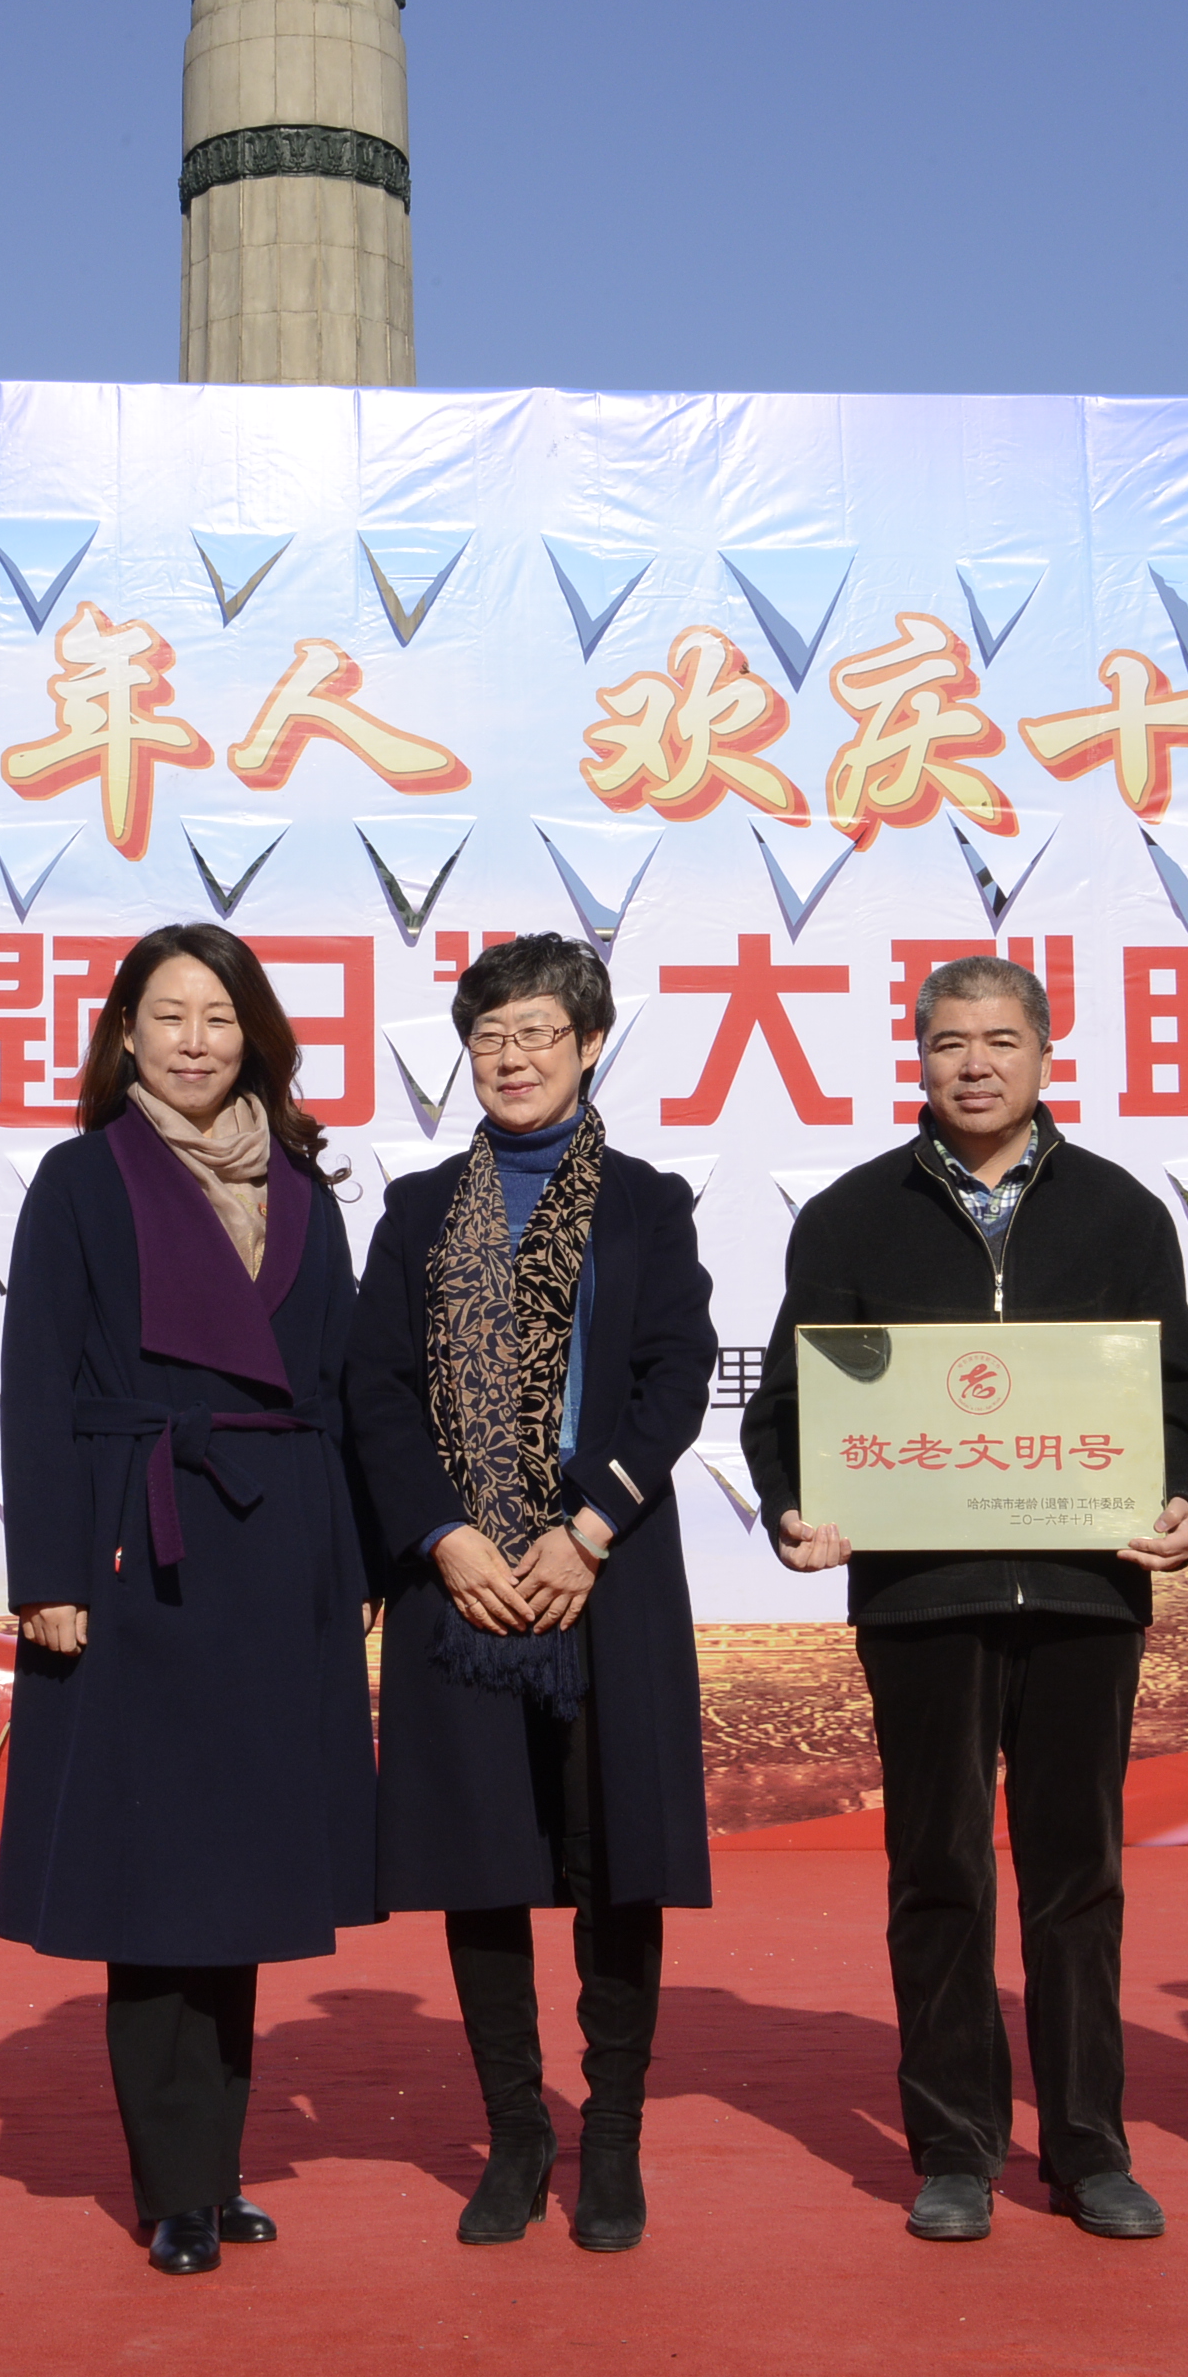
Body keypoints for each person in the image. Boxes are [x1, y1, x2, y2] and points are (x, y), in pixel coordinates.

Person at [739, 954, 1188, 2245]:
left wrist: (1187, 1500)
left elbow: (1176, 1392)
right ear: (921, 1057)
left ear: (1046, 1055)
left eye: (1002, 1041)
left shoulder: (1120, 1212)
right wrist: (794, 1507)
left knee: (1077, 1876)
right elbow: (790, 1406)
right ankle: (954, 2148)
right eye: (951, 1043)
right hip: (923, 1594)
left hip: (1083, 1589)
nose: (977, 1065)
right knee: (936, 1869)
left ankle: (1090, 2148)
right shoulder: (850, 1216)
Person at [0, 924, 380, 2277]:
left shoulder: (306, 1185)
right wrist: (46, 1576)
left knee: (244, 1876)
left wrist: (354, 1560)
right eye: (168, 1016)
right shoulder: (82, 1177)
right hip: (134, 1549)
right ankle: (172, 2186)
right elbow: (36, 1382)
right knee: (156, 1877)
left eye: (219, 1015)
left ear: (254, 1034)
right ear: (126, 1036)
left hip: (282, 1552)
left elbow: (339, 1390)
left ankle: (217, 2167)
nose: (195, 1040)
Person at [348, 933, 717, 2254]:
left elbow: (677, 1371)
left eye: (538, 1032)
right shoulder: (415, 1210)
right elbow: (376, 1390)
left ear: (589, 1043)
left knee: (618, 1863)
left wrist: (591, 1526)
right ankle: (516, 2134)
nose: (511, 1057)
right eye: (489, 1036)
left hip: (602, 1573)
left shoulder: (647, 1202)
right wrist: (443, 1537)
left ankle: (611, 2137)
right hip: (464, 1586)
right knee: (481, 1863)